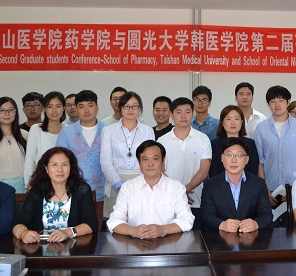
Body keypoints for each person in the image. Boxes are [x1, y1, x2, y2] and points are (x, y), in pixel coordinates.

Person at [107, 140, 194, 238]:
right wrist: (134, 231)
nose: (150, 164)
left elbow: (187, 220)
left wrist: (162, 229)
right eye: (145, 159)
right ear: (139, 163)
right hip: (135, 243)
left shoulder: (176, 188)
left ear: (163, 161)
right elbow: (114, 221)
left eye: (155, 159)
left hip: (168, 243)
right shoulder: (127, 188)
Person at [13, 147, 98, 243]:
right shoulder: (37, 191)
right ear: (46, 169)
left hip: (74, 247)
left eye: (64, 165)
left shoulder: (82, 190)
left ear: (71, 167)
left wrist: (67, 233)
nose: (60, 169)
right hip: (41, 248)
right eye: (54, 165)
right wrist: (24, 233)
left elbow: (91, 225)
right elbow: (18, 224)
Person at [255, 86, 296, 212]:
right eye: (273, 101)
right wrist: (263, 188)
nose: (277, 104)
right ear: (268, 104)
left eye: (281, 100)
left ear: (288, 102)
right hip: (270, 191)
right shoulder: (261, 128)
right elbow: (260, 161)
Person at [158, 97, 212, 230]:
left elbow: (204, 171)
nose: (183, 116)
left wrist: (185, 189)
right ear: (171, 115)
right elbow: (159, 171)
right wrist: (179, 192)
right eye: (179, 112)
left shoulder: (203, 139)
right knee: (169, 239)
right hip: (168, 201)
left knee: (196, 239)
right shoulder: (161, 141)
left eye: (187, 112)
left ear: (192, 114)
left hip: (196, 201)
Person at [56, 89, 106, 229]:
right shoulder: (66, 132)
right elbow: (61, 161)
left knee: (100, 233)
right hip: (74, 193)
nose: (86, 110)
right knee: (77, 232)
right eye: (81, 106)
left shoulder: (108, 130)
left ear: (97, 107)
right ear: (76, 108)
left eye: (90, 105)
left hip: (103, 193)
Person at [100, 91, 154, 220]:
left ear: (139, 108)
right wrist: (119, 185)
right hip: (115, 181)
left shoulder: (147, 131)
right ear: (120, 108)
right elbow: (106, 162)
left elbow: (150, 160)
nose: (131, 110)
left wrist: (140, 184)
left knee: (140, 221)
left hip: (141, 181)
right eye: (127, 106)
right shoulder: (109, 130)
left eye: (134, 106)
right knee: (115, 223)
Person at [201, 137, 272, 231]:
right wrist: (222, 225)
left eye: (239, 155)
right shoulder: (210, 185)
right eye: (229, 155)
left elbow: (266, 215)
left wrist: (256, 224)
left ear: (247, 160)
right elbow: (206, 217)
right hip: (220, 238)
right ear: (222, 158)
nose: (234, 160)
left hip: (251, 238)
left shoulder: (258, 183)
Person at [24, 91, 66, 188]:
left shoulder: (68, 130)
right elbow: (29, 160)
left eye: (58, 106)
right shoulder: (36, 129)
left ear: (64, 108)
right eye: (50, 106)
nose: (54, 111)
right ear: (44, 108)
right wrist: (28, 184)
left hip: (63, 182)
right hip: (41, 182)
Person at [209, 105, 259, 178]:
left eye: (236, 119)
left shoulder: (250, 143)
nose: (233, 123)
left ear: (242, 122)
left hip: (247, 184)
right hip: (219, 184)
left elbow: (253, 171)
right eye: (229, 119)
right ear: (222, 122)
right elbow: (213, 172)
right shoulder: (214, 144)